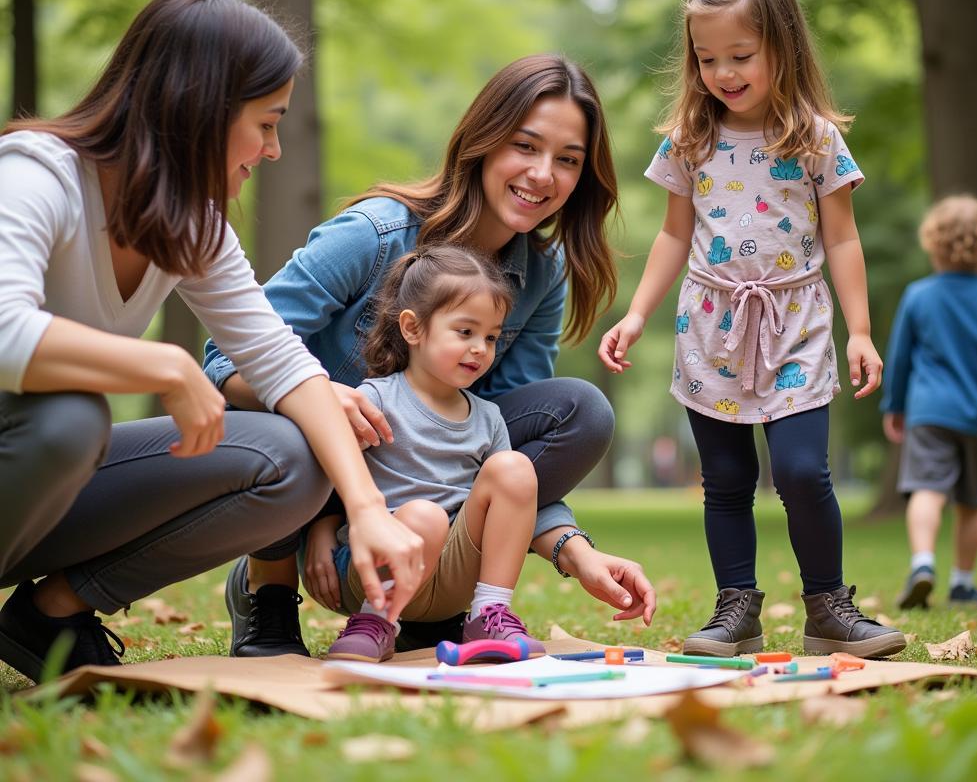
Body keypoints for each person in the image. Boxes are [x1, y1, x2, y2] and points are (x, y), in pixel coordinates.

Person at [0, 0, 423, 684]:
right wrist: (167, 367)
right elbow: (5, 333)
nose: (274, 148)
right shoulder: (36, 175)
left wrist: (367, 507)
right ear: (199, 106)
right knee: (70, 417)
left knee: (293, 459)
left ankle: (49, 617)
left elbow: (283, 362)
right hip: (31, 445)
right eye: (265, 122)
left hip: (39, 484)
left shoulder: (191, 225)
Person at [203, 53, 657, 656]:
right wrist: (314, 396)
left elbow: (500, 448)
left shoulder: (540, 276)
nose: (544, 174)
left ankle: (433, 593)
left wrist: (578, 551)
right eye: (526, 146)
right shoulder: (374, 234)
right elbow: (221, 357)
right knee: (287, 424)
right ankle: (269, 594)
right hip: (315, 469)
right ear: (483, 142)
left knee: (581, 411)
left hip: (426, 495)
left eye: (568, 160)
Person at [598, 0, 905, 658]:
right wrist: (637, 313)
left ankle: (828, 606)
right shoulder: (691, 139)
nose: (724, 73)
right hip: (710, 325)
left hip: (796, 322)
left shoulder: (816, 137)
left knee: (801, 470)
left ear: (784, 46)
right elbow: (675, 234)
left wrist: (860, 329)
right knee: (728, 479)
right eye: (708, 59)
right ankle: (737, 606)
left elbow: (844, 236)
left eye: (741, 55)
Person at [320, 245, 546, 663]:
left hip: (452, 576)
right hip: (373, 568)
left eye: (491, 336)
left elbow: (510, 504)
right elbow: (330, 475)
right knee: (423, 516)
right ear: (413, 328)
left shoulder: (489, 418)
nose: (480, 347)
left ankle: (488, 613)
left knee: (514, 468)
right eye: (465, 332)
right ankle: (376, 622)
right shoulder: (373, 400)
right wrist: (321, 531)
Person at [882, 195, 977, 609]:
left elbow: (900, 356)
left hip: (928, 412)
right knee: (971, 502)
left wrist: (894, 405)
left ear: (934, 240)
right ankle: (963, 583)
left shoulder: (918, 295)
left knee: (926, 489)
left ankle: (922, 563)